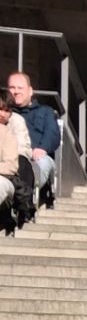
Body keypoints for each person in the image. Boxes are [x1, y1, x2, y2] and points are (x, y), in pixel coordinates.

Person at [7, 70, 60, 203]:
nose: (16, 91)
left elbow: (52, 133)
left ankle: (25, 195)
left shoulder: (45, 111)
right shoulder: (5, 114)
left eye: (20, 88)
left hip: (37, 157)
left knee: (44, 162)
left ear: (30, 91)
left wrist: (43, 148)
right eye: (12, 87)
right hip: (11, 158)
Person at [0, 92, 31, 234]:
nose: (3, 114)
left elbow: (11, 165)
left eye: (7, 110)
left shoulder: (8, 133)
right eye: (0, 109)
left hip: (4, 178)